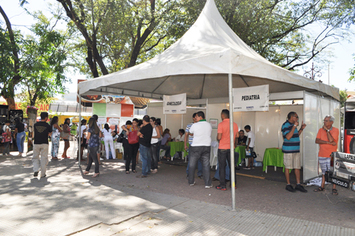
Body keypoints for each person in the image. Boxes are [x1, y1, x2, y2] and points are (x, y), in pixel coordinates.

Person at [281, 111, 307, 193]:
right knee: (288, 167)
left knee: (297, 167)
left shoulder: (293, 126)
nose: (297, 118)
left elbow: (295, 135)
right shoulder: (285, 125)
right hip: (288, 150)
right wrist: (294, 126)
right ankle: (288, 184)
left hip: (296, 149)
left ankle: (298, 184)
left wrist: (301, 129)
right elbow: (288, 137)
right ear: (291, 117)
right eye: (296, 117)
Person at [314, 115, 339, 195]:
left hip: (331, 155)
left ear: (331, 122)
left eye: (326, 120)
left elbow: (332, 140)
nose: (324, 122)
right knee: (324, 172)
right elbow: (317, 140)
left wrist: (327, 131)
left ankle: (334, 188)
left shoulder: (335, 130)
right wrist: (328, 143)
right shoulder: (320, 130)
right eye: (324, 120)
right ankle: (322, 186)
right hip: (322, 154)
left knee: (332, 172)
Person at [188, 111, 213, 188]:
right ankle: (207, 184)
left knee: (192, 164)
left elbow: (190, 133)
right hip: (206, 146)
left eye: (196, 116)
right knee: (206, 165)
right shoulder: (209, 125)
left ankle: (191, 181)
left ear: (200, 117)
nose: (195, 118)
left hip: (196, 146)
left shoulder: (195, 125)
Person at [216, 109, 239, 191]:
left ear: (222, 115)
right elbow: (237, 136)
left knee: (222, 167)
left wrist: (218, 139)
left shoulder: (221, 124)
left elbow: (219, 137)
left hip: (222, 148)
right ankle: (234, 184)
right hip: (231, 148)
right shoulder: (235, 124)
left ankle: (223, 185)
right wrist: (234, 145)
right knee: (232, 166)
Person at [32, 112, 52, 178]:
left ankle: (35, 169)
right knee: (44, 158)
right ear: (46, 117)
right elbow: (50, 134)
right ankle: (43, 173)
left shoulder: (35, 125)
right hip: (44, 143)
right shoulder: (48, 125)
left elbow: (33, 133)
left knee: (35, 157)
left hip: (36, 142)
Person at [185, 113, 203, 179]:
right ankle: (189, 173)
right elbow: (186, 135)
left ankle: (200, 173)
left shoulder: (201, 125)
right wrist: (185, 144)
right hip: (192, 144)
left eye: (197, 117)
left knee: (200, 160)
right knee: (191, 160)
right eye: (195, 117)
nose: (196, 118)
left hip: (199, 144)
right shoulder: (189, 125)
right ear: (193, 118)